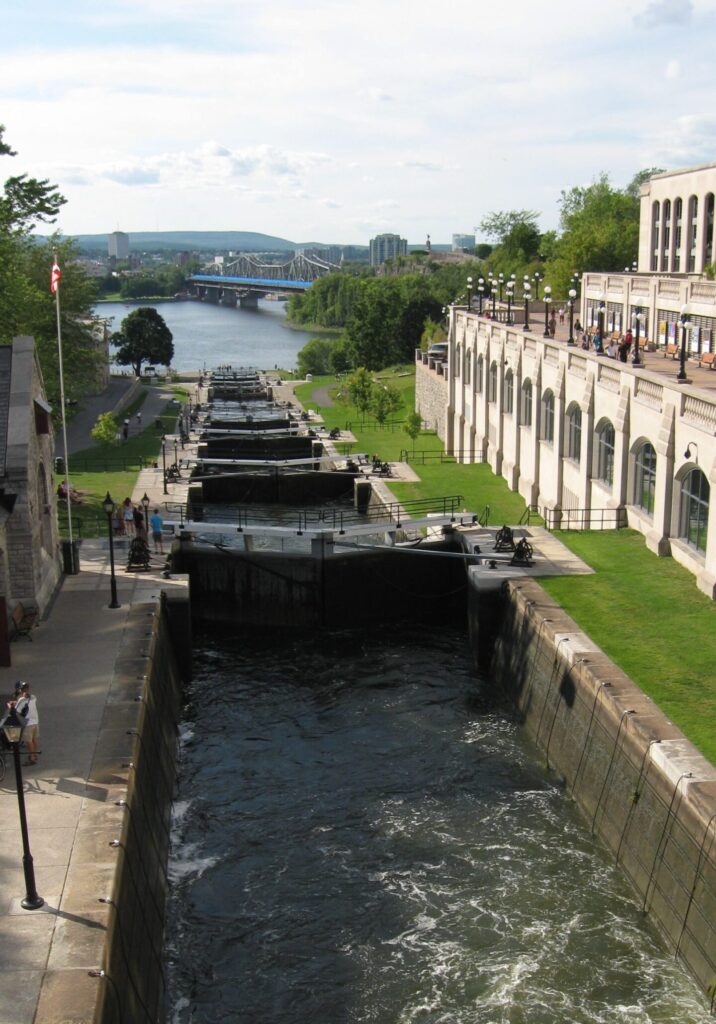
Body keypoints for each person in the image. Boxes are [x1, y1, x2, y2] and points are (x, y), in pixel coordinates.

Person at [14, 682, 39, 766]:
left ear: (20, 690)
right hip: (35, 722)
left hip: (28, 723)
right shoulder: (33, 697)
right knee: (34, 739)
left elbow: (16, 711)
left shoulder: (21, 700)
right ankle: (35, 755)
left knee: (28, 741)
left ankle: (32, 758)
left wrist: (14, 703)